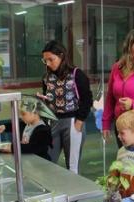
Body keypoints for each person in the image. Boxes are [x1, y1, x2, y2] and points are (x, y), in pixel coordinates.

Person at [37, 40, 93, 174]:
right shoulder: (46, 77)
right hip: (53, 121)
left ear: (61, 56)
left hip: (73, 122)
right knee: (48, 161)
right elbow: (47, 97)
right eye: (45, 61)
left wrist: (80, 122)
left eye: (51, 59)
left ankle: (73, 193)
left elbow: (87, 99)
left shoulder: (76, 75)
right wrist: (42, 101)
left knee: (72, 167)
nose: (49, 63)